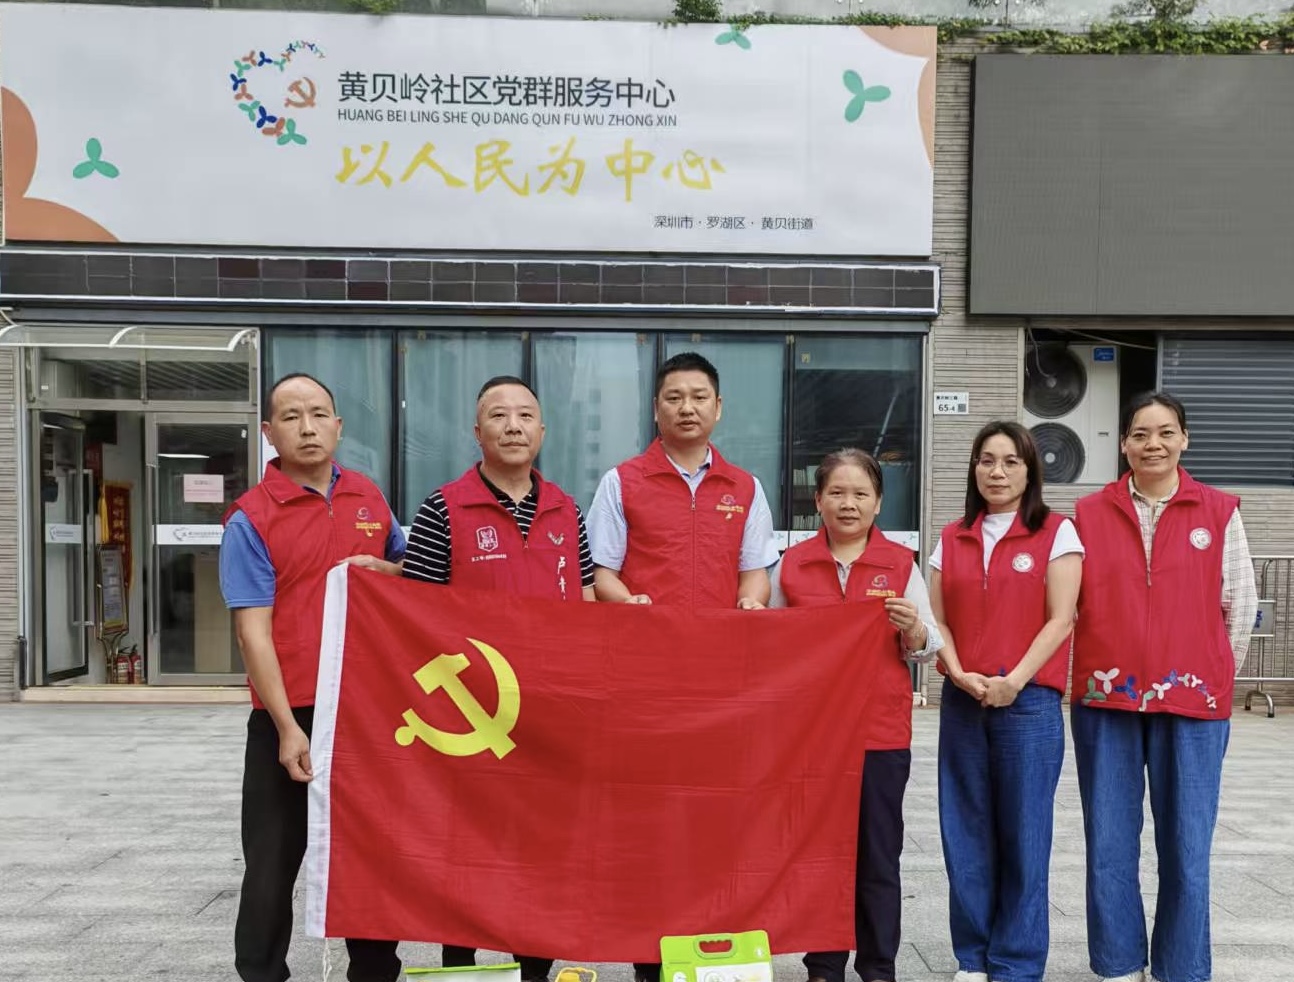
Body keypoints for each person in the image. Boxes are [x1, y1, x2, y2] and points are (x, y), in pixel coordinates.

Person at [587, 350, 780, 982]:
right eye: (674, 397)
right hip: (645, 685)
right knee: (649, 824)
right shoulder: (622, 482)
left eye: (699, 397)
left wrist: (751, 602)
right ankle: (649, 959)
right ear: (656, 409)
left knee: (718, 820)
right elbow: (601, 573)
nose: (687, 408)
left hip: (722, 686)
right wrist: (629, 605)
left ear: (718, 408)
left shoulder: (744, 488)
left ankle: (712, 952)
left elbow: (756, 571)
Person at [402, 375, 595, 982]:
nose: (513, 426)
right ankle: (462, 970)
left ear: (543, 430)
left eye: (525, 415)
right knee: (466, 851)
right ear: (477, 431)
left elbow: (587, 602)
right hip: (473, 719)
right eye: (499, 415)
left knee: (540, 851)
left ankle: (535, 970)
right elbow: (413, 617)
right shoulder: (443, 509)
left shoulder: (567, 510)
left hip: (549, 717)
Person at [219, 373, 404, 982]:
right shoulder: (251, 518)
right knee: (272, 864)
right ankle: (261, 973)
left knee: (370, 856)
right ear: (269, 432)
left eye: (319, 414)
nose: (307, 427)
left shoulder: (369, 498)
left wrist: (387, 568)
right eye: (292, 416)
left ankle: (374, 973)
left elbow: (407, 567)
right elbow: (253, 634)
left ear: (338, 426)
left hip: (366, 712)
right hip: (290, 714)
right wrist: (285, 728)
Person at [1070, 392, 1257, 982]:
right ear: (1124, 444)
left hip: (1193, 704)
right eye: (1141, 434)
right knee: (1108, 842)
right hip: (1107, 699)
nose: (1154, 444)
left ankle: (1180, 967)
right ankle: (1118, 963)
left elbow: (1240, 605)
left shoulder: (1219, 512)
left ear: (1184, 439)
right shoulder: (1088, 514)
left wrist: (1211, 676)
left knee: (1187, 845)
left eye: (1166, 432)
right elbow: (1067, 605)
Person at [767, 448, 942, 982]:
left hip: (878, 735)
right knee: (818, 854)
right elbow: (769, 644)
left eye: (861, 493)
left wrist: (912, 629)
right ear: (818, 501)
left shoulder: (900, 565)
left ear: (879, 502)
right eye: (837, 493)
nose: (849, 504)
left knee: (877, 856)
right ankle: (823, 965)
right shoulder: (792, 565)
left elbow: (928, 648)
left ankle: (878, 965)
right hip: (810, 738)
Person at [929, 420, 1083, 982]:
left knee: (1024, 835)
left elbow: (1061, 618)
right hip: (963, 701)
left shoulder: (1057, 533)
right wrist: (957, 671)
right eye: (987, 460)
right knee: (964, 830)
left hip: (1029, 705)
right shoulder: (952, 538)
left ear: (1030, 470)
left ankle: (1016, 963)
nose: (997, 472)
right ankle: (972, 958)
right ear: (973, 468)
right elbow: (937, 620)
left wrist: (1014, 680)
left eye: (1011, 461)